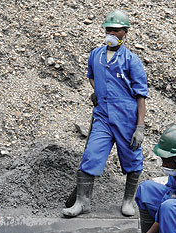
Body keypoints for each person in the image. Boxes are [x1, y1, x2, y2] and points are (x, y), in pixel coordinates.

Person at [62, 9, 148, 218]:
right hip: (103, 115)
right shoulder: (96, 55)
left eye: (116, 30)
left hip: (126, 116)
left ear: (125, 32)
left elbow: (141, 96)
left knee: (131, 158)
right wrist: (97, 92)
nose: (111, 33)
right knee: (91, 155)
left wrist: (140, 126)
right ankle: (83, 203)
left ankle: (128, 201)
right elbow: (91, 76)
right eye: (109, 29)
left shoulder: (131, 60)